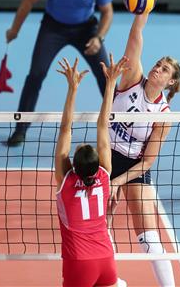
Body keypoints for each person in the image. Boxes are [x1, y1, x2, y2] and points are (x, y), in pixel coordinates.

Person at [107, 0, 180, 287]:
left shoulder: (163, 115)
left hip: (135, 166)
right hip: (107, 155)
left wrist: (118, 182)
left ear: (171, 82)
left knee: (149, 235)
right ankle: (110, 281)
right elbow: (136, 35)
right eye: (159, 64)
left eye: (165, 69)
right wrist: (146, 3)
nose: (158, 69)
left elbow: (147, 162)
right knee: (100, 226)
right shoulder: (130, 80)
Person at [6, 0, 114, 146]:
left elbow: (107, 12)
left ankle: (119, 126)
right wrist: (14, 30)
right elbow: (28, 1)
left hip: (86, 29)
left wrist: (98, 38)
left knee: (107, 75)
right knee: (36, 74)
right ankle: (20, 129)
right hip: (53, 27)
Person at [55, 55, 128, 286]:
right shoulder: (105, 174)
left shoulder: (66, 179)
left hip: (79, 261)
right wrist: (110, 83)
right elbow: (103, 124)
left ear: (73, 166)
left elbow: (66, 128)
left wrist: (72, 88)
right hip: (106, 258)